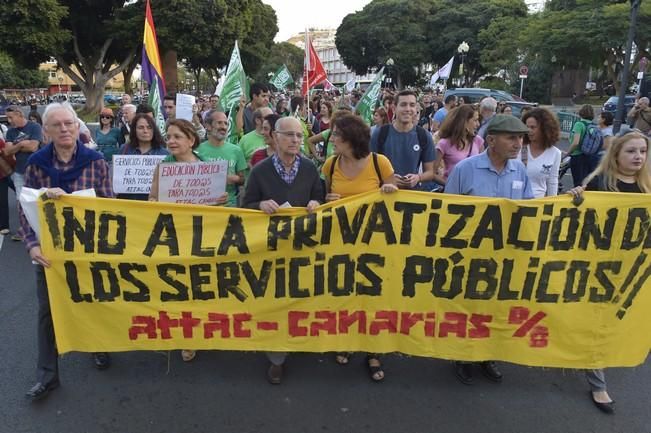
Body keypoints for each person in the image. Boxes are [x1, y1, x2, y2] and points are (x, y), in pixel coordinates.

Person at [19, 103, 113, 402]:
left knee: (93, 302)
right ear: (45, 131)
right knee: (48, 313)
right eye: (57, 125)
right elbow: (25, 209)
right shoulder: (36, 163)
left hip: (88, 252)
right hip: (50, 255)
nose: (64, 129)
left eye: (69, 124)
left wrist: (72, 201)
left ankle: (99, 346)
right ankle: (47, 376)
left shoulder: (95, 161)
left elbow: (109, 205)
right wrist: (31, 245)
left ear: (78, 127)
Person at [445, 114, 534, 385]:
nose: (518, 143)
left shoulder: (519, 171)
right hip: (470, 255)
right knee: (467, 306)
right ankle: (462, 356)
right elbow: (447, 212)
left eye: (520, 137)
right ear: (491, 140)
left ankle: (487, 355)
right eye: (511, 137)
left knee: (496, 308)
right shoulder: (465, 169)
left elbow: (529, 210)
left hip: (504, 256)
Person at [566, 130, 651, 414]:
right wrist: (576, 197)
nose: (638, 156)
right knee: (598, 323)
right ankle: (598, 383)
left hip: (635, 269)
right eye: (631, 151)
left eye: (642, 151)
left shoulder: (649, 187)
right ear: (616, 155)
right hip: (600, 267)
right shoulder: (601, 184)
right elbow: (577, 220)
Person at [242, 117, 323, 385]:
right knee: (275, 302)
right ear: (275, 137)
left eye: (300, 136)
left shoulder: (311, 169)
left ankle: (302, 341)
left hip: (302, 248)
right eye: (289, 135)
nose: (296, 141)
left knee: (301, 298)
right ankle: (277, 358)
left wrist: (315, 202)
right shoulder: (260, 171)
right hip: (271, 249)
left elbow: (320, 197)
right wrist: (260, 205)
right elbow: (246, 205)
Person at [321, 113, 397, 382]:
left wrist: (389, 192)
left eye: (336, 135)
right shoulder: (330, 165)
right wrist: (327, 200)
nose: (332, 139)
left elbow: (397, 201)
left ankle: (374, 351)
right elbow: (322, 202)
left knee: (373, 297)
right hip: (342, 243)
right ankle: (349, 341)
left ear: (351, 139)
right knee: (347, 294)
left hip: (375, 244)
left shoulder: (379, 163)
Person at [149, 119, 226, 362]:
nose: (170, 141)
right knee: (181, 288)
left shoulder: (207, 166)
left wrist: (219, 200)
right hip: (175, 236)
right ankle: (187, 337)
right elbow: (151, 199)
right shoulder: (163, 167)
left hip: (203, 235)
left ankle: (209, 326)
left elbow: (216, 201)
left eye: (177, 137)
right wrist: (154, 203)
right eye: (168, 136)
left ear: (191, 141)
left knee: (202, 285)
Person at [370, 90, 436, 191]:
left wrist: (418, 178)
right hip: (384, 196)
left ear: (416, 109)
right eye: (403, 105)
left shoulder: (424, 136)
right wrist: (388, 179)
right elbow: (369, 169)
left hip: (412, 197)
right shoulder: (380, 134)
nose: (408, 109)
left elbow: (430, 172)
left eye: (412, 105)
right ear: (394, 108)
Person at [197, 110, 246, 207]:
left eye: (226, 124)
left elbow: (243, 179)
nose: (223, 127)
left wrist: (234, 178)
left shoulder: (236, 150)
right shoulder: (197, 150)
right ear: (208, 126)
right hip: (205, 206)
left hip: (230, 206)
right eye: (219, 123)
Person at [117, 114, 169, 200]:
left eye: (149, 127)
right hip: (127, 203)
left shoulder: (164, 154)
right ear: (134, 130)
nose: (145, 131)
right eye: (141, 127)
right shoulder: (124, 149)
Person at [433, 105, 484, 187]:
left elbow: (483, 168)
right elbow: (432, 173)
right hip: (453, 195)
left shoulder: (478, 141)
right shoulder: (444, 144)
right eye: (475, 120)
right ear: (464, 122)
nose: (478, 124)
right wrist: (450, 185)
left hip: (473, 193)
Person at [521, 108, 562, 198]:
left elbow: (552, 181)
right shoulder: (518, 148)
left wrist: (552, 204)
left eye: (533, 127)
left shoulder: (555, 153)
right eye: (527, 127)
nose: (528, 131)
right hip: (516, 202)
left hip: (538, 204)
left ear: (544, 129)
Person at [566, 105, 599, 187]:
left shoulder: (579, 124)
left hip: (577, 156)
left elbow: (575, 142)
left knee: (577, 182)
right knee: (586, 182)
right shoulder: (594, 126)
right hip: (589, 156)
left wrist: (567, 153)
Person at [0, 136, 16, 236]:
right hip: (4, 174)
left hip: (1, 174)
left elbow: (6, 153)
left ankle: (4, 226)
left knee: (2, 200)